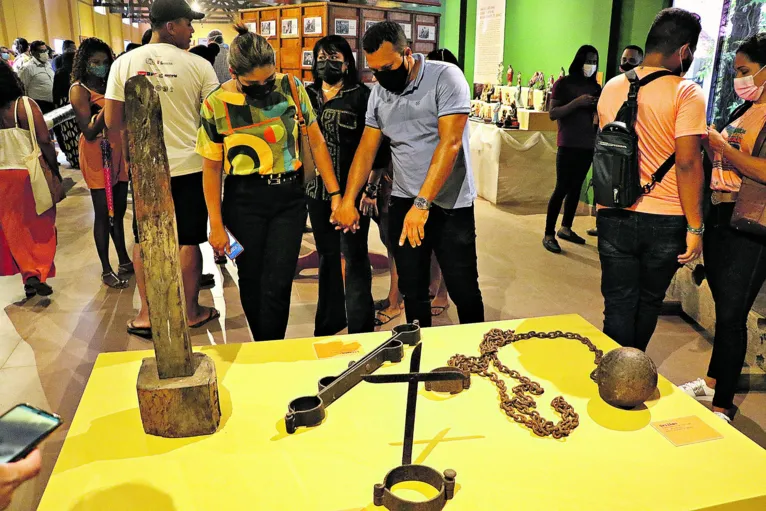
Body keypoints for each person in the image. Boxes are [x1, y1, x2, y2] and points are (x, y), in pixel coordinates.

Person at [333, 22, 484, 328]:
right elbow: (367, 149)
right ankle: (419, 352)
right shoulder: (379, 94)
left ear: (408, 53)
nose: (381, 76)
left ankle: (478, 350)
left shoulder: (445, 77)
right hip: (404, 199)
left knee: (462, 287)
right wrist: (348, 199)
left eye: (387, 67)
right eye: (374, 70)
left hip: (449, 203)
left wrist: (423, 204)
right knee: (412, 288)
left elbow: (450, 142)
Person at [198, 25, 343, 341]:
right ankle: (263, 345)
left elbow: (317, 143)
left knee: (279, 280)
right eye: (254, 83)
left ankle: (271, 347)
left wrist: (334, 193)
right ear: (234, 72)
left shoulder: (290, 87)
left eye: (269, 78)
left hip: (289, 198)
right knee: (250, 280)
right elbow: (211, 169)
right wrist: (216, 225)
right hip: (242, 199)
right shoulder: (215, 104)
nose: (265, 87)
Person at [106, 0, 220, 339]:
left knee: (145, 237)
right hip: (190, 165)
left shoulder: (124, 63)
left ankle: (147, 314)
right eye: (188, 23)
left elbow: (113, 121)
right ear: (171, 26)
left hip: (146, 167)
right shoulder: (199, 66)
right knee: (187, 238)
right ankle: (190, 311)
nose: (192, 30)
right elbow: (214, 120)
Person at [596, 8, 705, 352]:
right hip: (666, 218)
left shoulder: (613, 86)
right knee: (647, 301)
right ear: (684, 51)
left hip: (613, 208)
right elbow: (687, 163)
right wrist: (696, 227)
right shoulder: (687, 93)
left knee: (617, 301)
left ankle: (613, 370)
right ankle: (633, 369)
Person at [678, 34, 766, 423]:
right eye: (737, 72)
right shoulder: (745, 109)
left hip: (752, 228)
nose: (740, 80)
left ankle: (721, 406)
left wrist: (722, 147)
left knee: (732, 316)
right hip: (721, 219)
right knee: (724, 305)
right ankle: (713, 382)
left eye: (745, 71)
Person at [304, 35, 390, 335]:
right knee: (328, 256)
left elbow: (378, 148)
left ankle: (360, 325)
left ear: (347, 62)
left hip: (351, 194)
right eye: (321, 57)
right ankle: (328, 322)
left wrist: (368, 190)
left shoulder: (361, 96)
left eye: (334, 56)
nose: (327, 62)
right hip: (316, 194)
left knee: (354, 256)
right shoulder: (306, 94)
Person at [71, 38, 133, 289]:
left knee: (117, 211)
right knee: (102, 213)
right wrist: (108, 106)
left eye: (105, 62)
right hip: (98, 152)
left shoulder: (110, 83)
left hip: (118, 147)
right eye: (96, 62)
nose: (101, 66)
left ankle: (124, 260)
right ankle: (106, 269)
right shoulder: (79, 89)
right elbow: (87, 130)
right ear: (85, 63)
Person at [0, 62, 59, 297]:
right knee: (41, 225)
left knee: (14, 230)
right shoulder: (23, 105)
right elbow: (44, 139)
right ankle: (38, 272)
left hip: (2, 178)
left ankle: (28, 274)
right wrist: (53, 169)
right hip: (27, 173)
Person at [543, 45, 601, 254]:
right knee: (562, 187)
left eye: (595, 61)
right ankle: (549, 233)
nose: (591, 65)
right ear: (579, 61)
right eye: (588, 60)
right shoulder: (563, 84)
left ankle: (566, 227)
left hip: (588, 143)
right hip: (568, 143)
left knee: (576, 187)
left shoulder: (595, 87)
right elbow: (553, 113)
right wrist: (578, 102)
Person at [589, 44, 646, 238]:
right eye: (624, 59)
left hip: (628, 149)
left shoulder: (643, 88)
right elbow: (598, 119)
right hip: (607, 146)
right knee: (605, 183)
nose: (626, 63)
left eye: (632, 60)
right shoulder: (611, 85)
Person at [52, 49, 80, 168]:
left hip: (64, 106)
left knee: (69, 133)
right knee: (79, 131)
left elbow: (55, 93)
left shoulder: (59, 73)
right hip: (76, 102)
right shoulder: (77, 72)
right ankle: (82, 157)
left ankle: (74, 159)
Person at [19, 41, 55, 114]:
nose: (45, 53)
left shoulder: (48, 64)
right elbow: (22, 88)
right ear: (33, 52)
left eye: (46, 51)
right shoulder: (27, 68)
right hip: (38, 105)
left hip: (53, 103)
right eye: (41, 51)